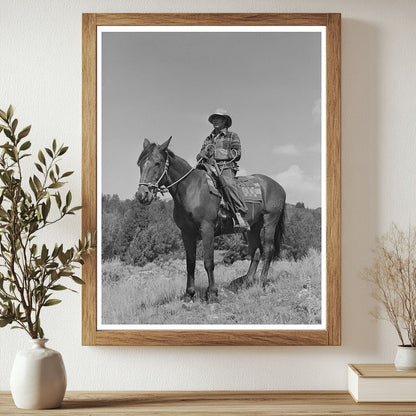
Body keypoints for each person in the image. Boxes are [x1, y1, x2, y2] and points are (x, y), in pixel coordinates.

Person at [197, 109, 250, 231]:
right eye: (214, 118)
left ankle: (240, 212)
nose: (215, 120)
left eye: (218, 118)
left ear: (224, 121)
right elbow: (199, 155)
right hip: (208, 167)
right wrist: (202, 154)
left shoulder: (232, 136)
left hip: (225, 167)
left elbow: (237, 153)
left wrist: (219, 153)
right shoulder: (208, 138)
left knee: (229, 184)